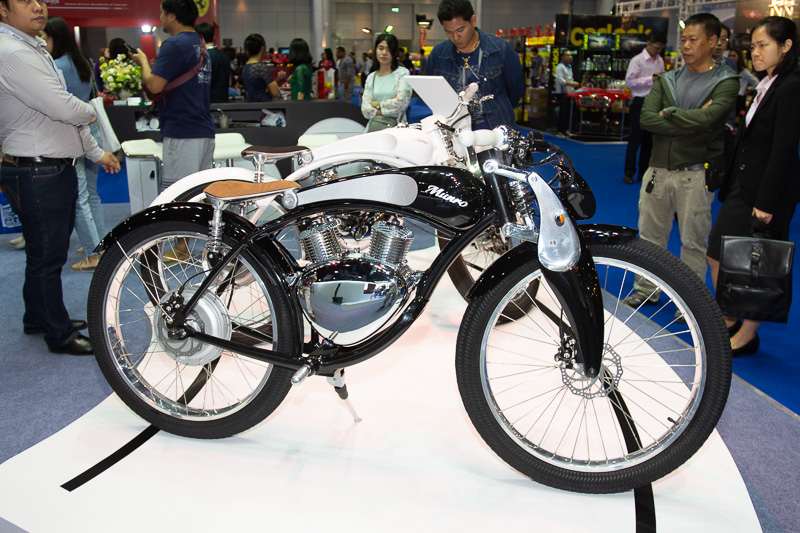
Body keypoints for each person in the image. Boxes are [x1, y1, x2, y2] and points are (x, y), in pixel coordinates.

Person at [0, 0, 120, 355]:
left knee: (46, 252)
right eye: (25, 1)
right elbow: (62, 107)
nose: (38, 6)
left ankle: (36, 317)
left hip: (48, 165)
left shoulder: (31, 47)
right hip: (37, 168)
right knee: (48, 257)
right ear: (3, 10)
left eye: (40, 0)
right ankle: (59, 333)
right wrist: (92, 110)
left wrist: (95, 150)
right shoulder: (12, 52)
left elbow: (66, 116)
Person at [625, 13, 739, 317]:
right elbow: (647, 119)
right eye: (683, 40)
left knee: (693, 241)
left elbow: (711, 119)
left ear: (712, 41)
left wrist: (670, 114)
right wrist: (690, 121)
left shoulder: (726, 81)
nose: (685, 46)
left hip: (695, 174)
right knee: (650, 235)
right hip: (657, 171)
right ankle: (646, 289)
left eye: (693, 40)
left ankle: (689, 301)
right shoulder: (668, 79)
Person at [706, 16, 800, 356]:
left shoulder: (791, 86)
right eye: (753, 46)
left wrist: (766, 201)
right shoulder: (768, 83)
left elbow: (784, 149)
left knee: (757, 265)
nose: (755, 52)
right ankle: (731, 316)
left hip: (767, 193)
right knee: (718, 254)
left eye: (763, 45)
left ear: (786, 46)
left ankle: (747, 334)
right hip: (744, 187)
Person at [42, 16, 106, 272]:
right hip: (92, 131)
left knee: (80, 198)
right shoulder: (82, 63)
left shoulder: (57, 65)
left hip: (74, 135)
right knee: (92, 195)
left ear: (54, 38)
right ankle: (99, 243)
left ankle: (93, 254)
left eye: (44, 37)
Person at [130, 0, 214, 192]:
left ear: (172, 16)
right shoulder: (200, 43)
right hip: (203, 130)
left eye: (161, 13)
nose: (160, 18)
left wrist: (143, 62)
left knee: (178, 195)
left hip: (182, 131)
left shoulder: (174, 44)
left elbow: (154, 86)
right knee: (199, 194)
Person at [424, 0, 524, 130]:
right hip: (454, 132)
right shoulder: (438, 55)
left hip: (494, 133)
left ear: (473, 20)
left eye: (460, 30)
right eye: (448, 32)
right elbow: (431, 93)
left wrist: (498, 109)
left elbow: (516, 91)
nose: (455, 37)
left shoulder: (501, 50)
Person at [623, 31, 666, 184]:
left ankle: (644, 173)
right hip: (640, 102)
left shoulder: (660, 60)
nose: (658, 51)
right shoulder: (637, 60)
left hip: (655, 104)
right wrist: (650, 79)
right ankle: (629, 172)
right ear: (649, 43)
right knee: (635, 139)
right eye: (656, 47)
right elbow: (629, 82)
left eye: (661, 48)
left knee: (649, 141)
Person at [361, 33, 412, 132]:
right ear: (375, 50)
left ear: (395, 53)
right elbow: (365, 109)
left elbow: (400, 105)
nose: (384, 53)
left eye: (388, 49)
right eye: (381, 48)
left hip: (396, 129)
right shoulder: (371, 77)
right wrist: (389, 105)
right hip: (373, 128)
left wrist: (376, 104)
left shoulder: (402, 74)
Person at [196, 22, 231, 103]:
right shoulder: (224, 56)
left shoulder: (204, 57)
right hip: (224, 100)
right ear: (214, 37)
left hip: (209, 102)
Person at [241, 33, 279, 102]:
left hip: (251, 104)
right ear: (262, 48)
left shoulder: (245, 67)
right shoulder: (261, 67)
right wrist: (267, 88)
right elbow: (275, 92)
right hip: (264, 104)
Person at [728, 48, 759, 121]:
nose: (731, 58)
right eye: (729, 55)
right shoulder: (728, 69)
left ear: (739, 57)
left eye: (733, 56)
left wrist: (748, 89)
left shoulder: (743, 71)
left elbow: (757, 83)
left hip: (738, 98)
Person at [554, 49, 579, 135]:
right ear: (562, 57)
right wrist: (572, 84)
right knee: (563, 112)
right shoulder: (560, 67)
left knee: (569, 112)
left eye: (571, 55)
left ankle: (567, 130)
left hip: (569, 93)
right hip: (562, 93)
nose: (570, 57)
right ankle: (560, 131)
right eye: (567, 55)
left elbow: (569, 79)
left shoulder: (569, 67)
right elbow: (560, 80)